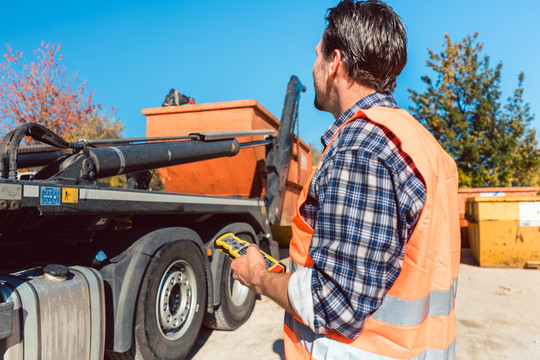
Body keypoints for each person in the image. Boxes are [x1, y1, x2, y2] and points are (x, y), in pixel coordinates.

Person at [231, 1, 460, 359]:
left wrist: (259, 277)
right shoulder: (425, 145)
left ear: (335, 62)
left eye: (317, 56)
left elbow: (333, 303)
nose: (314, 66)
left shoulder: (361, 148)